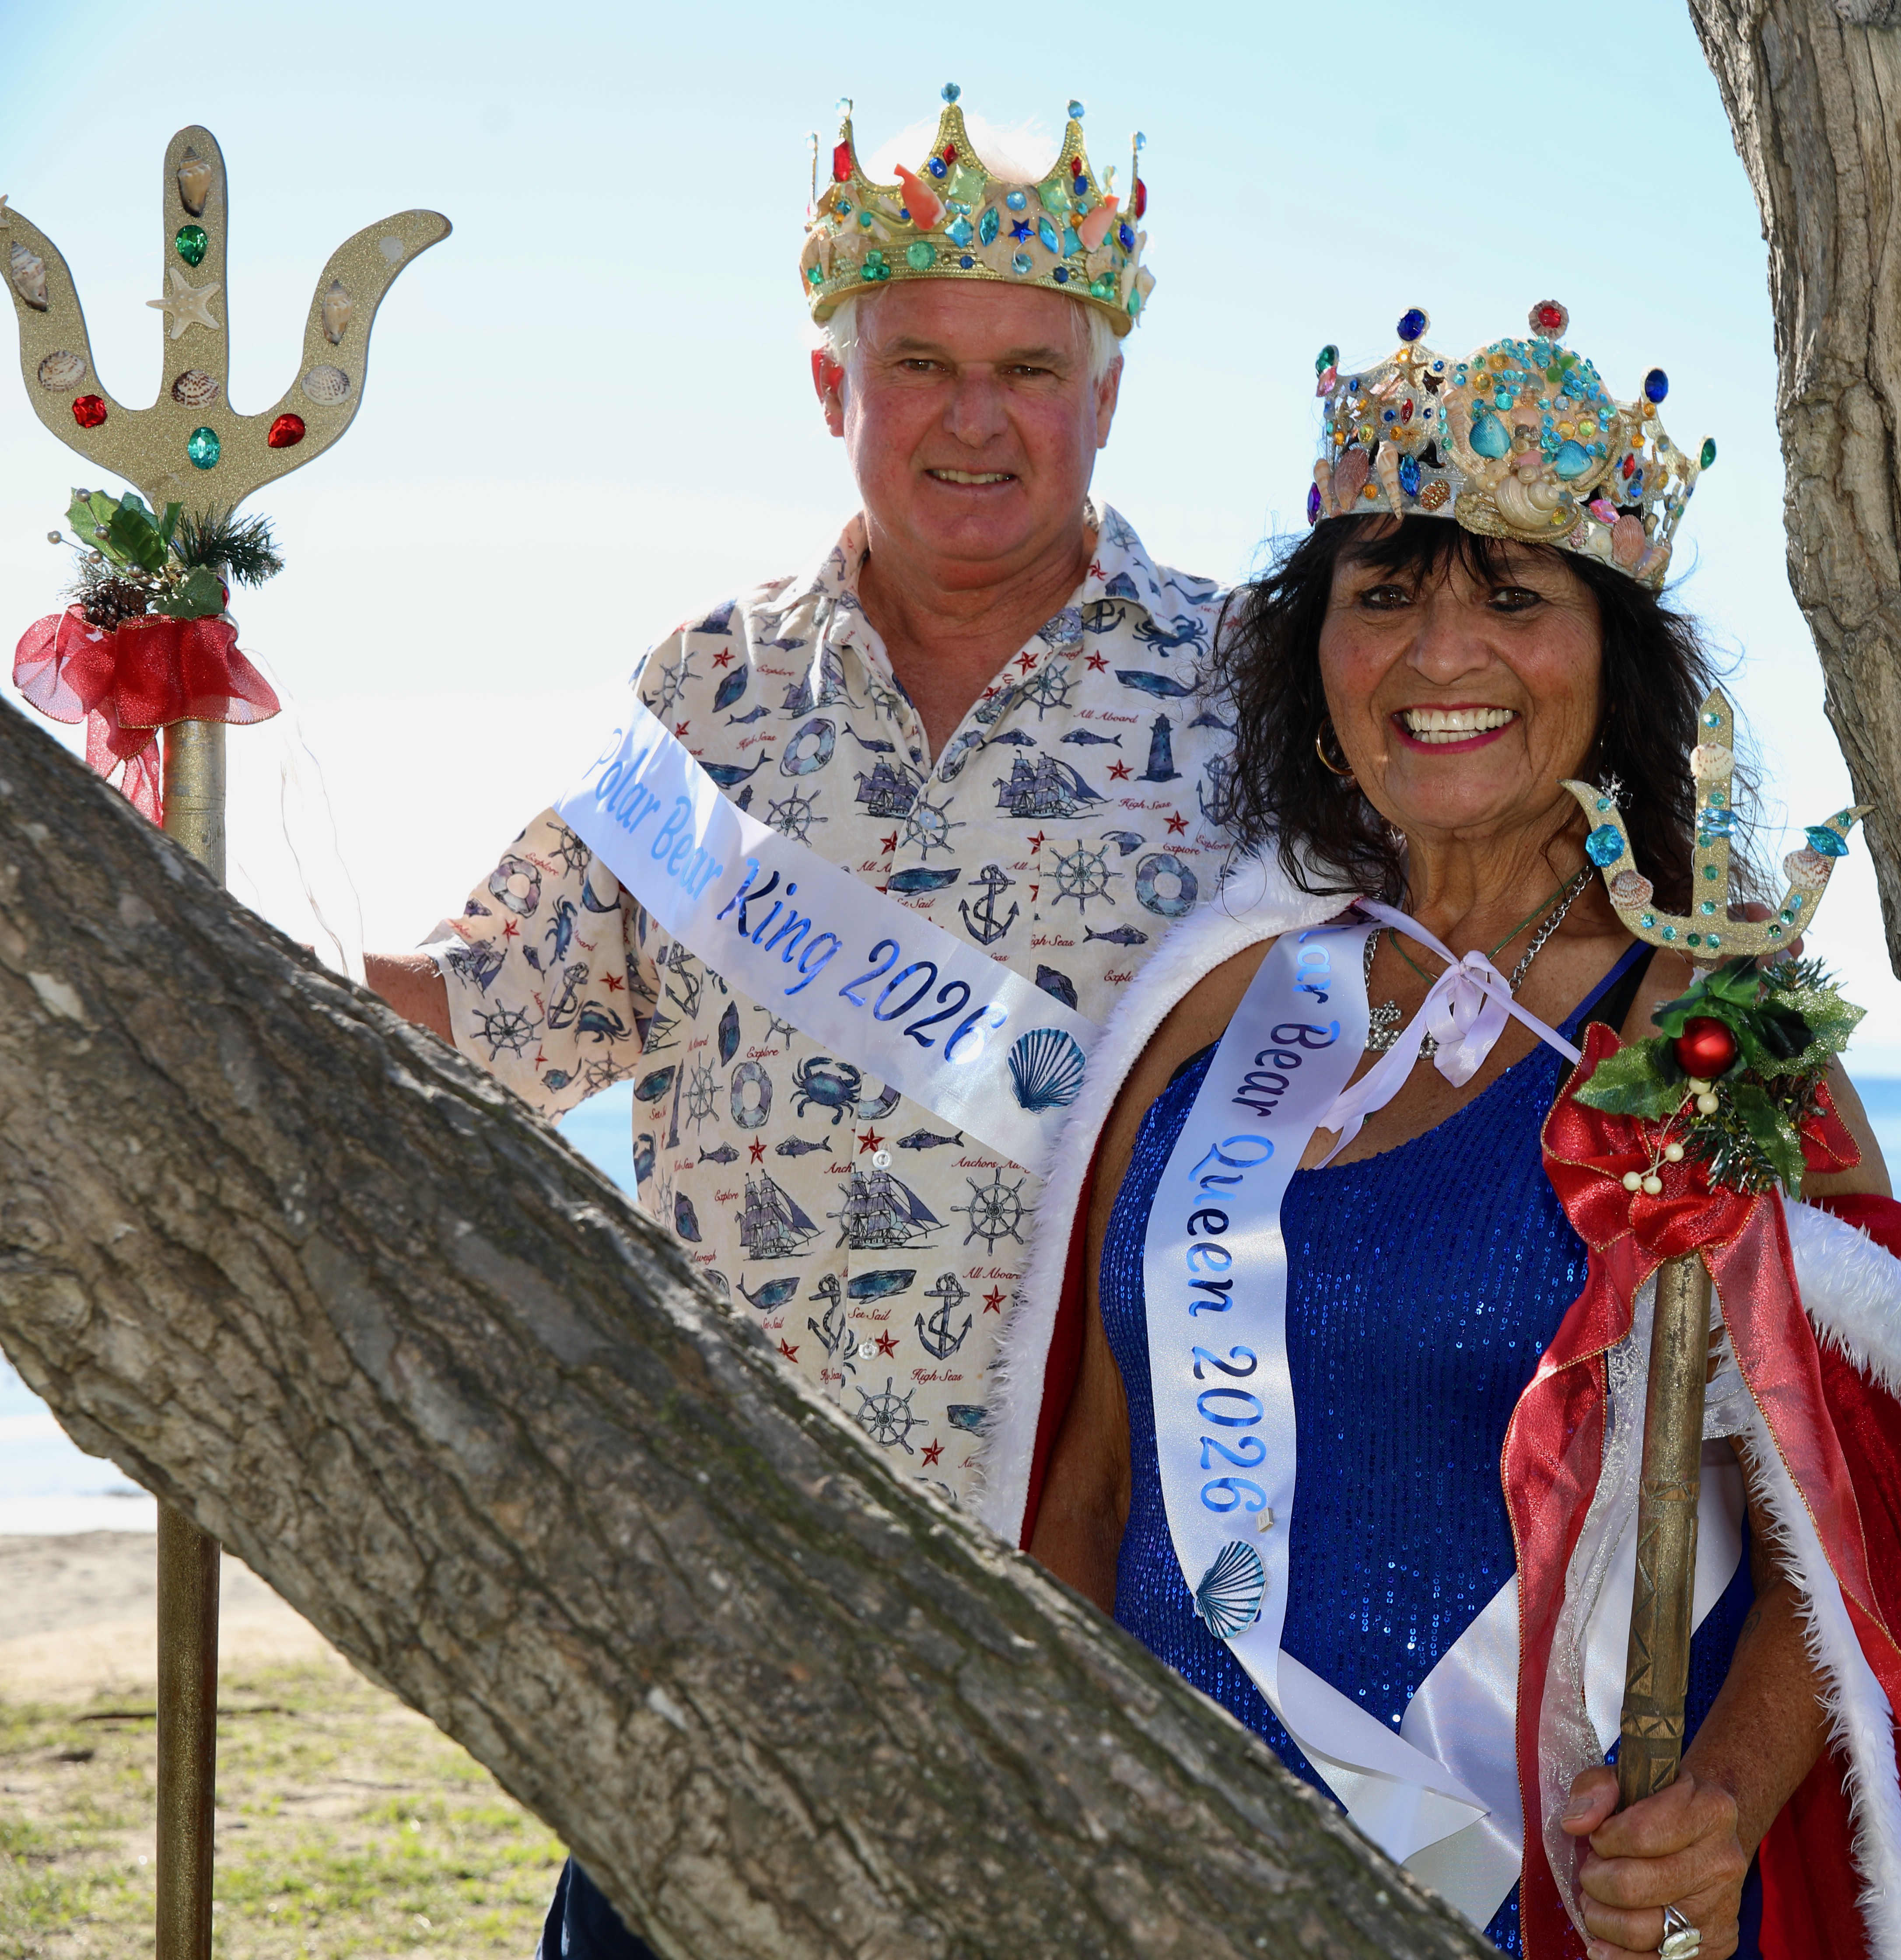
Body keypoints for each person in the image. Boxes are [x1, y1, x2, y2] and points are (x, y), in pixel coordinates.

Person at [990, 308, 1901, 1959]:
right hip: (1160, 1885)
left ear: (1613, 662)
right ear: (1314, 649)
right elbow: (1101, 1477)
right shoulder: (1214, 1006)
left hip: (1529, 1901)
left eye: (1515, 595)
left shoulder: (1710, 1033)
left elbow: (1840, 1546)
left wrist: (1721, 1812)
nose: (1442, 654)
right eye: (1386, 593)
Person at [361, 87, 1233, 1960]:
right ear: (834, 387)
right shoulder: (706, 684)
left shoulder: (1254, 701)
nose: (976, 417)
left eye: (1029, 367)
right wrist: (165, 901)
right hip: (727, 1590)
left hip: (1106, 1619)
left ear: (1108, 395)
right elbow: (487, 1011)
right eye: (918, 360)